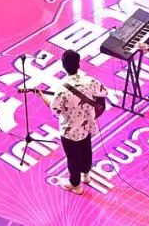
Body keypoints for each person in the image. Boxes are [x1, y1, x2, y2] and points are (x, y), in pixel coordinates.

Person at [34, 50, 107, 195]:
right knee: (86, 149)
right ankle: (86, 175)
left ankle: (76, 185)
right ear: (78, 64)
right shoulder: (89, 81)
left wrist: (41, 95)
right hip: (87, 124)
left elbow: (54, 109)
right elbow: (104, 92)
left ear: (63, 65)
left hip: (70, 130)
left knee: (73, 158)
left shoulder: (62, 89)